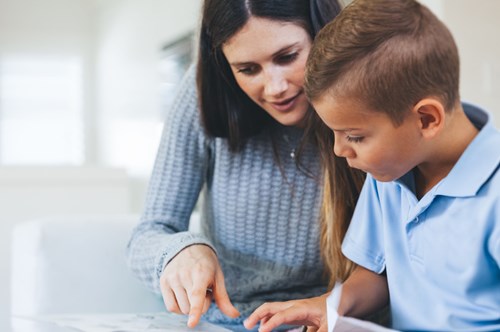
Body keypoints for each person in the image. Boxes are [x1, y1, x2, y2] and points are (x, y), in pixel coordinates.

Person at [244, 0, 500, 331]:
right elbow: (377, 272)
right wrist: (331, 306)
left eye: (355, 136)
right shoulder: (390, 172)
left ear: (426, 119)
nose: (338, 150)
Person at [126, 0, 365, 331]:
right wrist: (180, 252)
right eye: (248, 69)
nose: (275, 87)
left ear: (321, 33)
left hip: (330, 319)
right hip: (226, 322)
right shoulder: (199, 98)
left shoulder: (368, 98)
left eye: (287, 57)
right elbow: (148, 234)